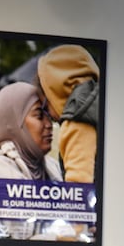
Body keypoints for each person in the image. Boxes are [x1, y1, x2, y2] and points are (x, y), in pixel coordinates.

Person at [37, 43, 100, 183]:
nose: (50, 118)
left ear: (57, 93)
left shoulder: (77, 120)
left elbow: (78, 188)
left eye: (46, 107)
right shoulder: (100, 103)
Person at [0, 81, 59, 180]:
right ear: (14, 124)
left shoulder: (53, 166)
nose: (49, 124)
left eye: (49, 116)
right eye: (39, 116)